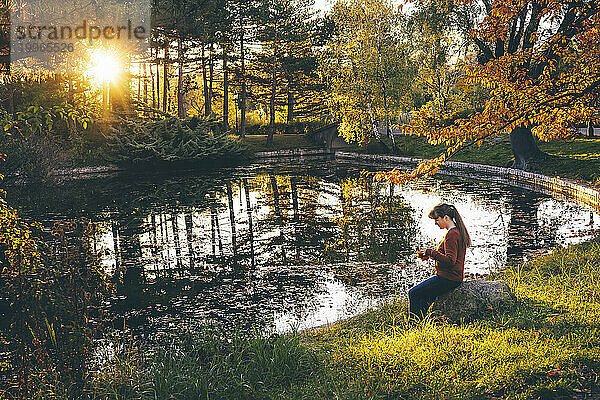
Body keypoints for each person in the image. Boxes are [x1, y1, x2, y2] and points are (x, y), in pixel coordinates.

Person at [408, 203, 471, 318]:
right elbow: (449, 257)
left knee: (413, 293)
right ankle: (420, 324)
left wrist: (430, 252)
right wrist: (430, 256)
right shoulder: (457, 231)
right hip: (453, 277)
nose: (436, 223)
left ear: (446, 217)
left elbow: (450, 260)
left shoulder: (451, 234)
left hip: (448, 278)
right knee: (424, 299)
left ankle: (413, 326)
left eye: (437, 219)